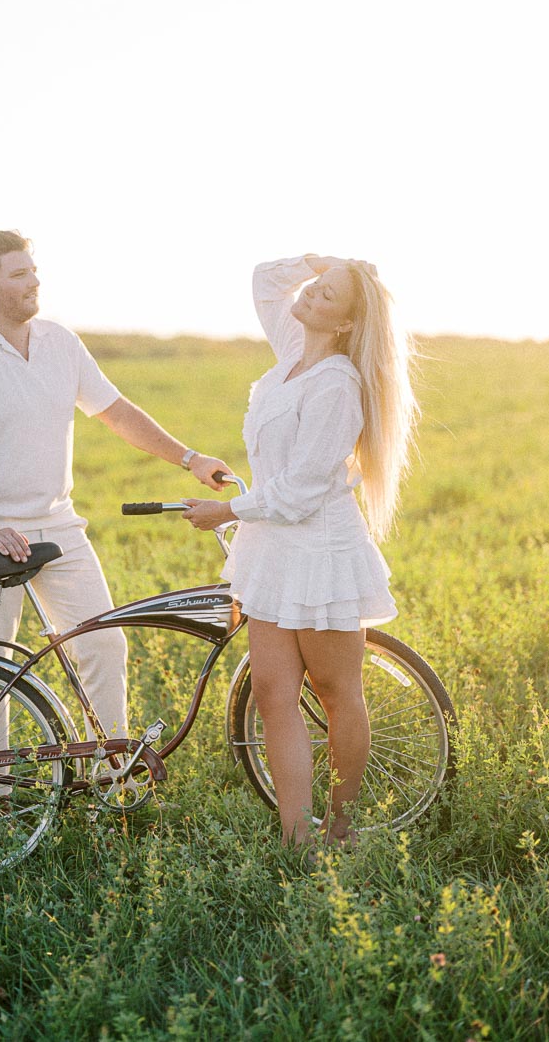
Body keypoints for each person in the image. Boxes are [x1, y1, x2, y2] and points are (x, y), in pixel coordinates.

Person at [0, 229, 229, 746]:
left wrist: (190, 458)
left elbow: (116, 413)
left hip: (59, 522)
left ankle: (114, 772)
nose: (34, 281)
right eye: (19, 274)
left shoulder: (59, 341)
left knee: (104, 645)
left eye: (33, 269)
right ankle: (0, 800)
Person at [182, 254, 417, 852]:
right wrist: (326, 261)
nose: (310, 295)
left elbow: (304, 491)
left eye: (328, 296)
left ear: (343, 325)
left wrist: (225, 511)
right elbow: (264, 279)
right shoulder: (293, 353)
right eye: (315, 288)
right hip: (271, 553)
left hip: (320, 554)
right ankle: (296, 836)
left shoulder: (337, 383)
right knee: (272, 696)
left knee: (337, 695)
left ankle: (340, 828)